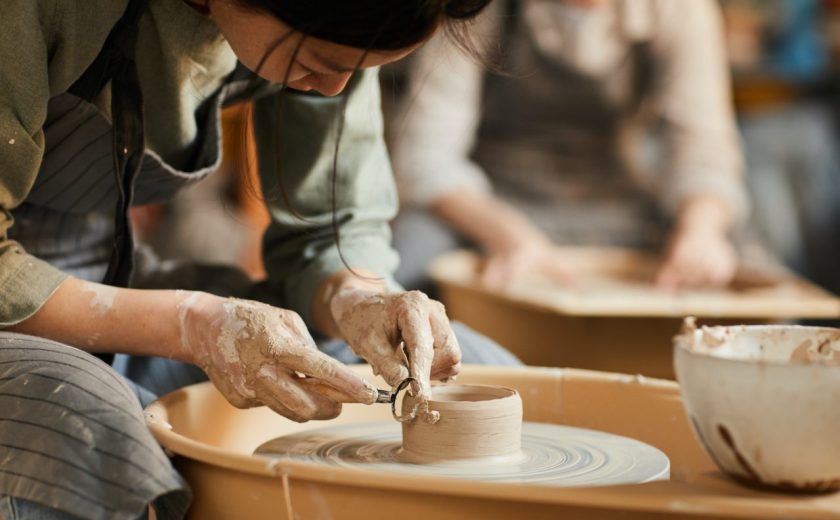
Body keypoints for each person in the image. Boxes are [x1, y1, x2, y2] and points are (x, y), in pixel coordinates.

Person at [0, 1, 519, 518]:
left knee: (484, 368)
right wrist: (193, 325)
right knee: (88, 432)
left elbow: (331, 225)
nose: (337, 89)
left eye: (357, 72)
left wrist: (355, 296)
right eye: (321, 62)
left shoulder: (339, 28)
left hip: (112, 273)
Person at [390, 0, 750, 293]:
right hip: (491, 200)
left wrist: (700, 231)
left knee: (744, 257)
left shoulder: (681, 9)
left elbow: (703, 148)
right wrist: (508, 234)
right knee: (405, 258)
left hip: (616, 206)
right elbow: (425, 156)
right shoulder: (477, 7)